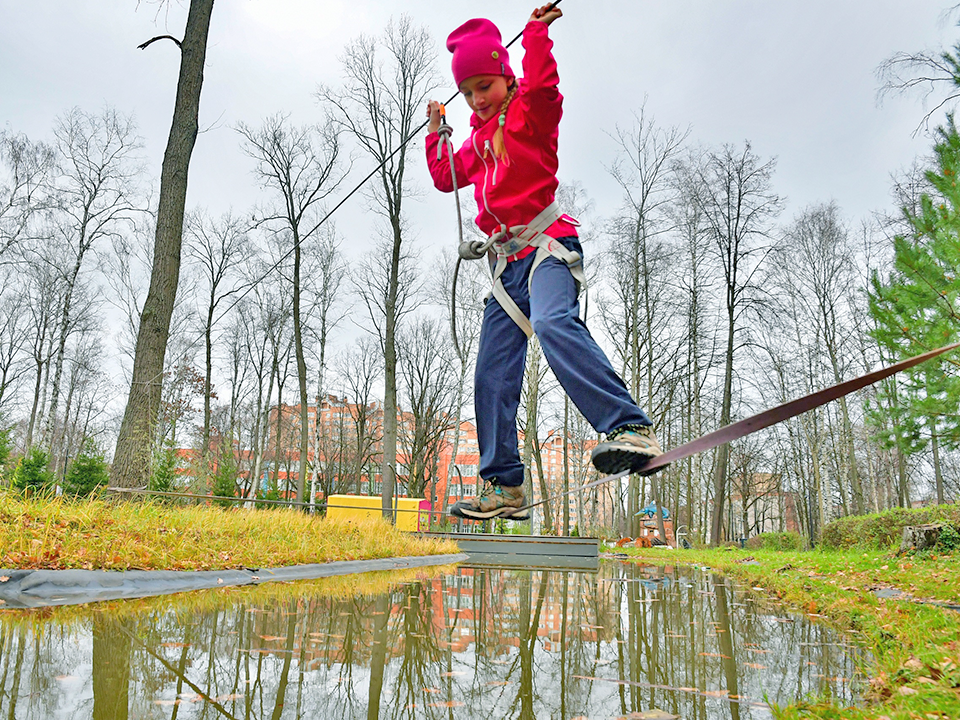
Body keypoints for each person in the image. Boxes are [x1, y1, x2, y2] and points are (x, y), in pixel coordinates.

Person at [425, 4, 663, 521]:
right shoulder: (475, 141)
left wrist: (535, 36)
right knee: (490, 371)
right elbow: (447, 178)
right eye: (467, 92)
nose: (477, 98)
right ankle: (504, 485)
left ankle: (628, 426)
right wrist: (435, 133)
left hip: (549, 245)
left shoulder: (531, 112)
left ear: (505, 75)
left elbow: (545, 88)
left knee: (556, 323)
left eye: (484, 85)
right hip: (507, 269)